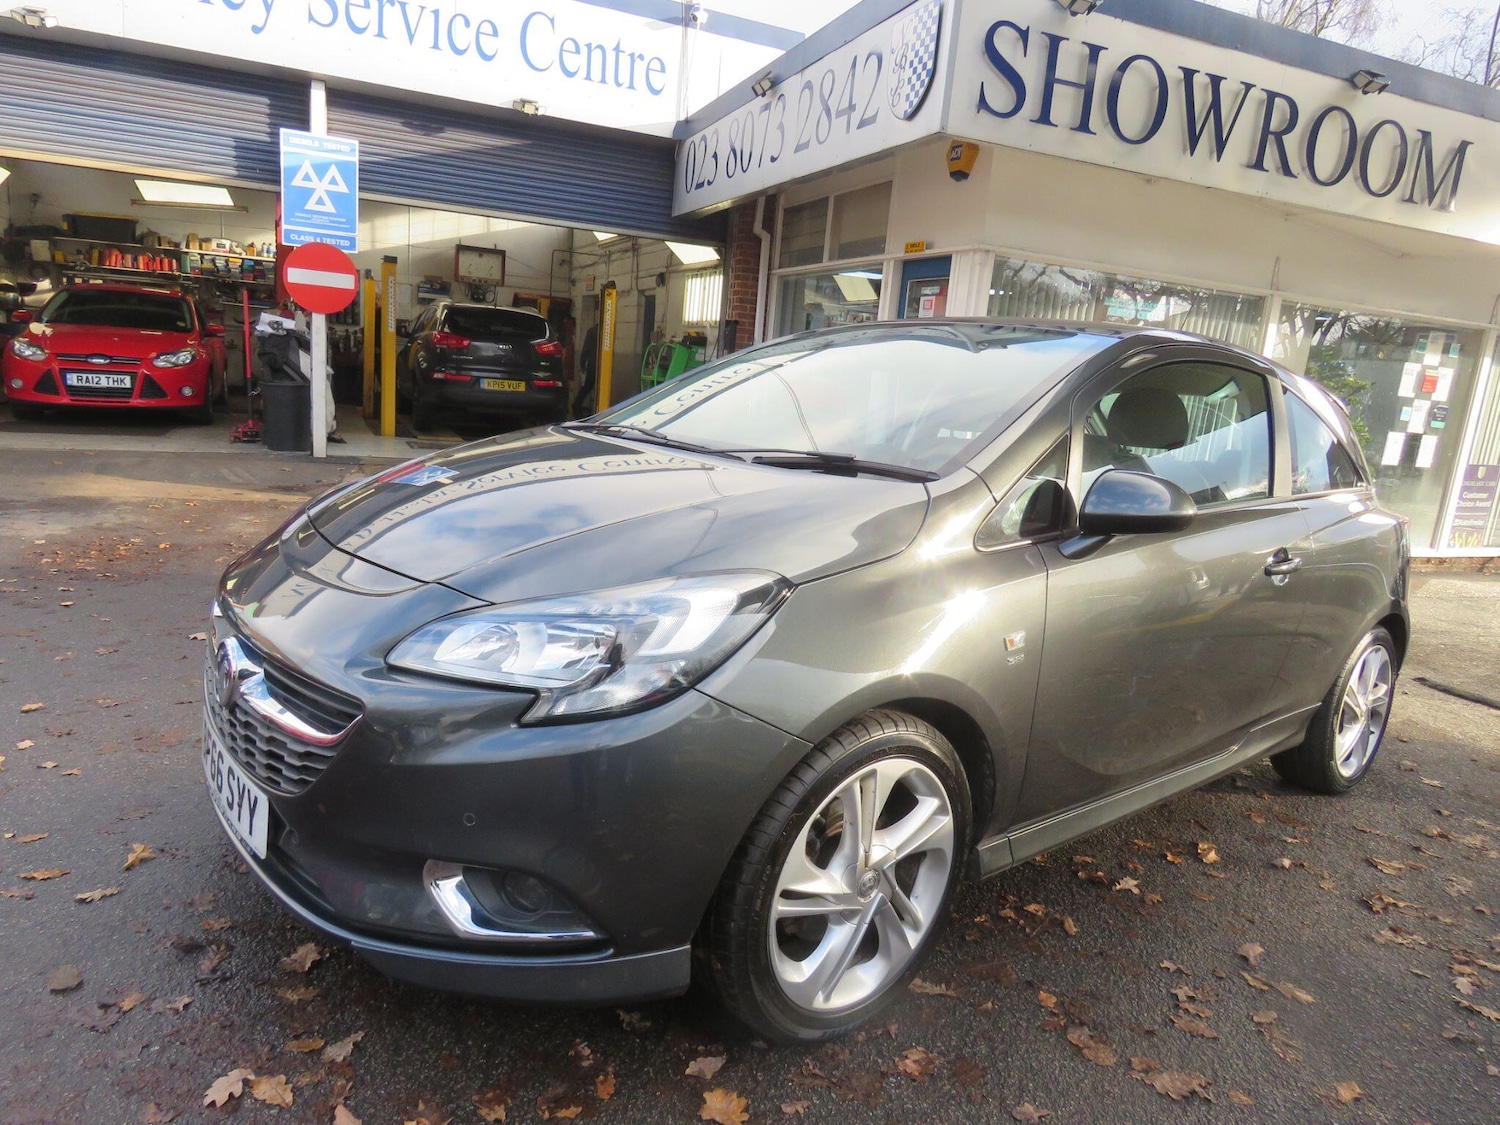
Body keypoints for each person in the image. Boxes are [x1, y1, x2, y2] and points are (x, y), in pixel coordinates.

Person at [571, 321, 599, 419]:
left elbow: (586, 349)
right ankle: (577, 404)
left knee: (587, 387)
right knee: (589, 387)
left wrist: (582, 364)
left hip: (592, 365)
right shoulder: (603, 332)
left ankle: (577, 405)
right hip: (597, 365)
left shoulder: (592, 331)